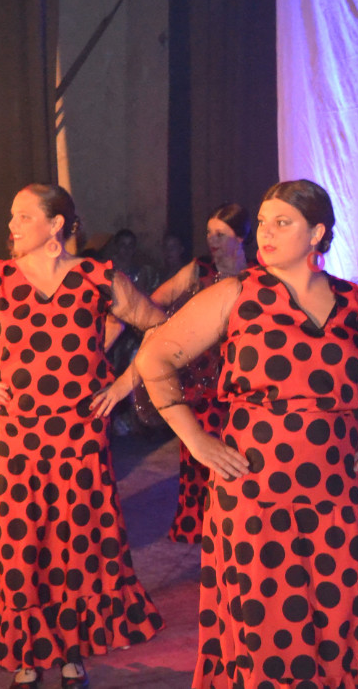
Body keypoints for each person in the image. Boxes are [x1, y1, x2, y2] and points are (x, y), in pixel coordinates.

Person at [135, 179, 358, 688]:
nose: (266, 233)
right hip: (255, 495)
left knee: (339, 619)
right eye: (263, 222)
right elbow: (155, 358)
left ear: (317, 234)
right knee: (269, 628)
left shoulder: (354, 306)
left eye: (281, 223)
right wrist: (197, 441)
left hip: (334, 496)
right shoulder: (238, 294)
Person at [0, 184, 166, 689]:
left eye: (23, 216)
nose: (11, 225)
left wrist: (121, 385)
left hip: (79, 440)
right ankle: (24, 652)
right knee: (19, 544)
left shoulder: (98, 278)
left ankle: (72, 650)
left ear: (56, 225)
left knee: (73, 545)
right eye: (12, 215)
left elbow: (161, 328)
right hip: (18, 441)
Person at [149, 203, 250, 543]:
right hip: (203, 379)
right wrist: (170, 333)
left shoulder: (258, 273)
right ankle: (198, 528)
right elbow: (154, 303)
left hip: (242, 376)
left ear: (240, 237)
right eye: (209, 233)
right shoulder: (198, 269)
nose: (212, 240)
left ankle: (238, 525)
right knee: (199, 456)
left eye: (220, 234)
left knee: (240, 452)